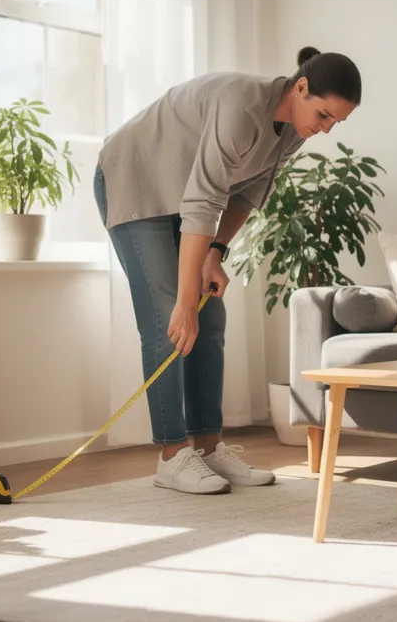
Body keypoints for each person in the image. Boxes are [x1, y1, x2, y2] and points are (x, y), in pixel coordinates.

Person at [93, 46, 362, 494]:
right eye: (324, 114)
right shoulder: (242, 106)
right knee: (169, 318)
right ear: (300, 88)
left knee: (210, 313)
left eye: (336, 121)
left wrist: (216, 252)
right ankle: (171, 455)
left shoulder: (295, 130)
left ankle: (207, 447)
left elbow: (247, 194)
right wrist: (183, 301)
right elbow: (205, 199)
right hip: (134, 178)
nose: (326, 128)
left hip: (181, 195)